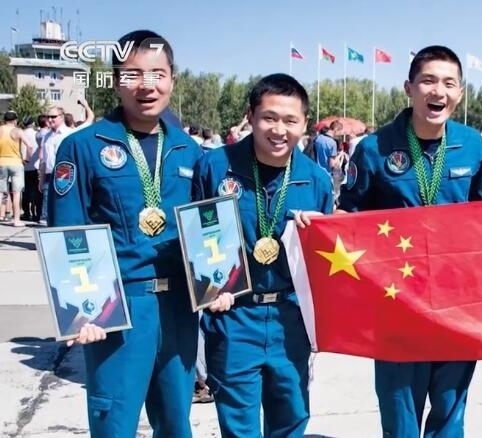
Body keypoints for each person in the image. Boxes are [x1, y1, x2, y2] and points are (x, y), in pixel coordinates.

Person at [47, 29, 202, 437]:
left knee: (176, 424)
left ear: (172, 79)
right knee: (114, 422)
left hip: (180, 308)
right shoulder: (83, 146)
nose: (147, 85)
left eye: (157, 74)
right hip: (118, 309)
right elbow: (69, 230)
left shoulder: (189, 150)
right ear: (116, 81)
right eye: (133, 75)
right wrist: (83, 308)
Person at [337, 45, 482, 437]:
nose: (438, 91)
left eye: (449, 83)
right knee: (400, 416)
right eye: (428, 81)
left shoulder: (472, 145)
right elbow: (349, 220)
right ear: (409, 88)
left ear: (460, 93)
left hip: (457, 304)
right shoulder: (374, 149)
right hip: (396, 304)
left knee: (450, 415)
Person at [193, 73, 332, 437]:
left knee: (292, 419)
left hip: (291, 320)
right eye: (269, 117)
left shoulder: (316, 179)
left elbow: (327, 261)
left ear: (304, 123)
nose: (279, 130)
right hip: (234, 316)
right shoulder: (215, 167)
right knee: (239, 426)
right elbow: (196, 234)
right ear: (250, 116)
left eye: (290, 120)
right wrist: (209, 289)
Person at [0, 111, 28, 226]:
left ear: (4, 120)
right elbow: (29, 145)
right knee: (16, 193)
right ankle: (16, 220)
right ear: (15, 121)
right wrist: (26, 159)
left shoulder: (0, 129)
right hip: (16, 162)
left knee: (1, 191)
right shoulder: (18, 131)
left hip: (2, 162)